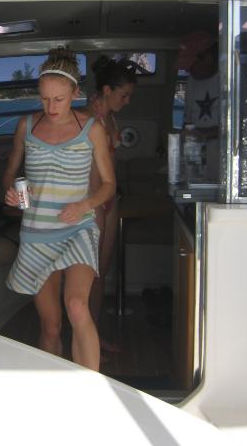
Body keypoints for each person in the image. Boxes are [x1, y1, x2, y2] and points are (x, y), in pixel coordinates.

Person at [3, 47, 116, 371]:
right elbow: (10, 174)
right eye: (44, 99)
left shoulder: (93, 129)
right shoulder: (26, 126)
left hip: (78, 228)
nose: (50, 107)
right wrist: (11, 192)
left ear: (75, 94)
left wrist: (85, 205)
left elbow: (109, 185)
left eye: (59, 99)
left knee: (77, 306)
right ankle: (55, 390)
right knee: (51, 327)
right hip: (37, 233)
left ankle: (91, 389)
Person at [84, 57, 136, 354]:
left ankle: (94, 335)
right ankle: (85, 342)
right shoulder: (87, 117)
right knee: (89, 275)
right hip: (93, 202)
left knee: (101, 272)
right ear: (107, 90)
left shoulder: (109, 118)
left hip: (109, 201)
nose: (127, 101)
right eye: (124, 95)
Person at [183, 40, 220, 181]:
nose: (189, 70)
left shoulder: (237, 76)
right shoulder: (191, 81)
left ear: (208, 58)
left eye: (191, 64)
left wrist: (203, 134)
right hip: (198, 171)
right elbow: (188, 123)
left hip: (228, 173)